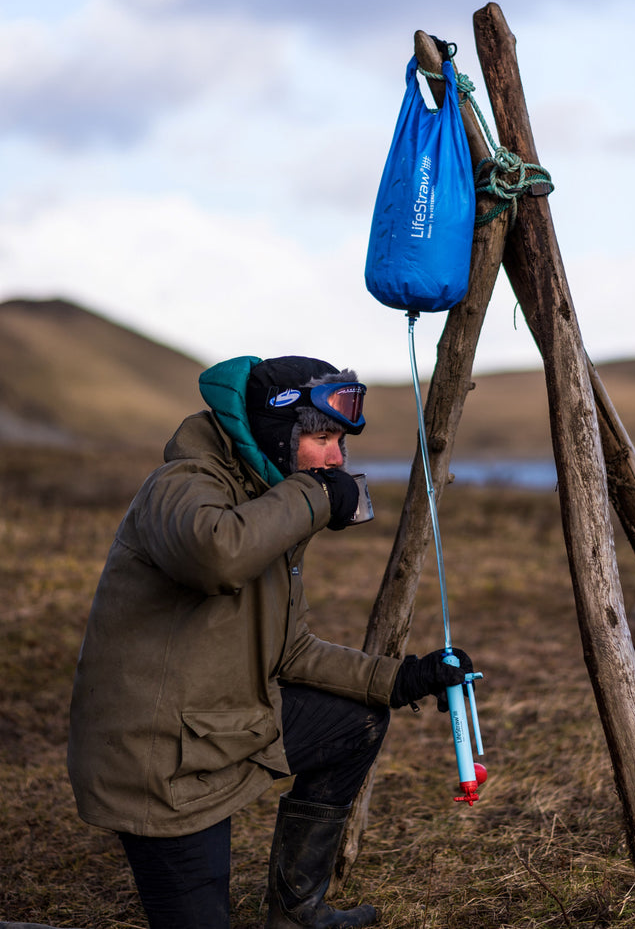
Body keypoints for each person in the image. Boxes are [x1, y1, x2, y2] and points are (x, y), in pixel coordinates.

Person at [68, 353, 472, 929]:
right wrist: (315, 497)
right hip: (160, 763)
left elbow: (292, 650)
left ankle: (297, 913)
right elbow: (214, 555)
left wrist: (400, 679)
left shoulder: (266, 502)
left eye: (341, 442)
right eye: (325, 438)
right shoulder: (182, 484)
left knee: (354, 722)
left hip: (222, 724)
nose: (337, 458)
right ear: (280, 434)